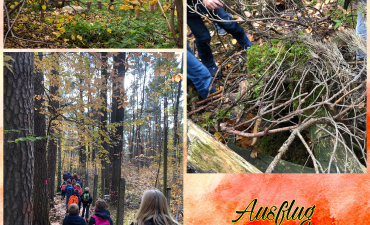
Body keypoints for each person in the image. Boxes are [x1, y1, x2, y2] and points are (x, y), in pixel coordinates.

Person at [187, 0, 252, 77]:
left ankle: (244, 41)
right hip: (187, 8)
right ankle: (209, 65)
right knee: (203, 37)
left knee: (227, 23)